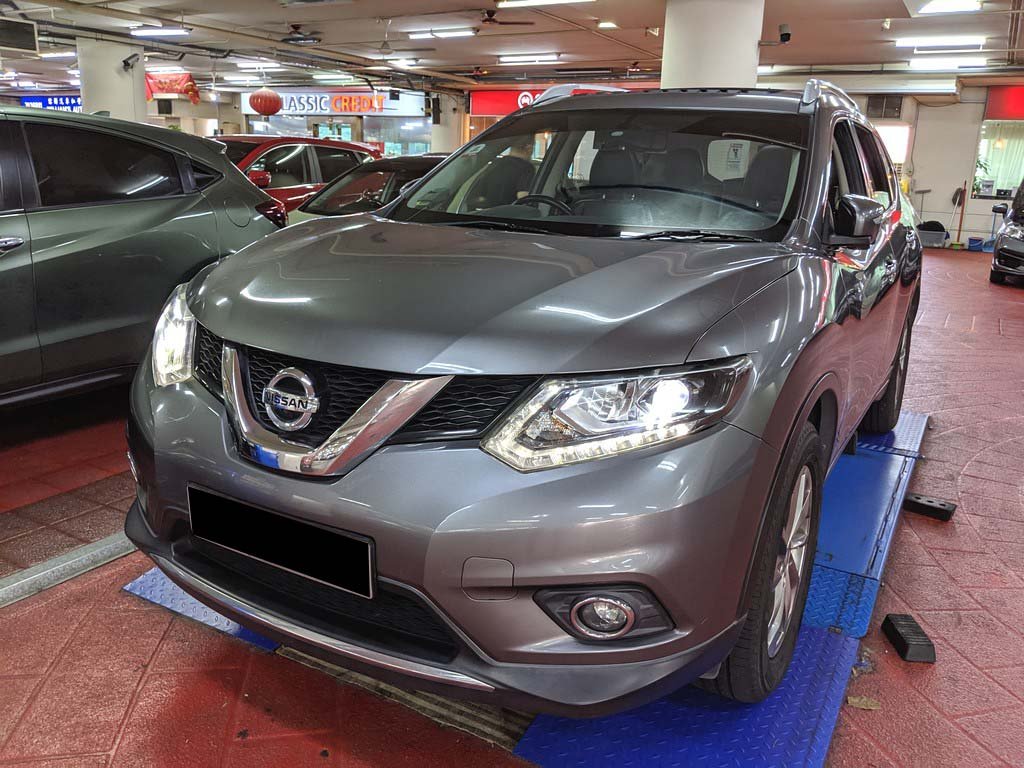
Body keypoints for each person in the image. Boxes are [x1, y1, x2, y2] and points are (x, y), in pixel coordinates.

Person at [464, 135, 537, 211]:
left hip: (487, 214)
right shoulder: (526, 168)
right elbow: (523, 198)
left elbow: (475, 196)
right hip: (508, 216)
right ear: (529, 148)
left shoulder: (494, 164)